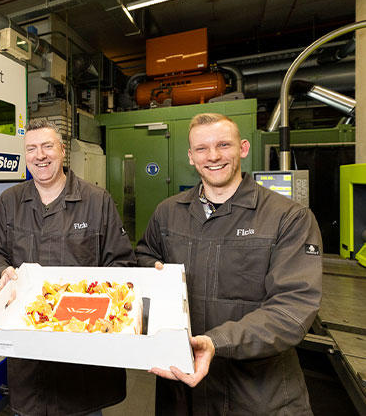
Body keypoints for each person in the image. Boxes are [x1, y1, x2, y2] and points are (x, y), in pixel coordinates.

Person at [136, 112, 322, 415]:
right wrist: (154, 277)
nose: (213, 156)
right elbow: (144, 259)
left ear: (243, 148)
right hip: (183, 390)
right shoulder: (168, 213)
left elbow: (292, 309)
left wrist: (216, 342)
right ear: (191, 157)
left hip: (259, 395)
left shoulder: (288, 217)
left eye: (223, 145)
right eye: (202, 149)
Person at [0, 118, 136, 416]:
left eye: (47, 146)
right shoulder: (9, 202)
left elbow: (122, 263)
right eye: (31, 149)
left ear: (62, 150)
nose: (39, 155)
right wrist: (3, 271)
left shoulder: (96, 201)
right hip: (29, 346)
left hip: (83, 350)